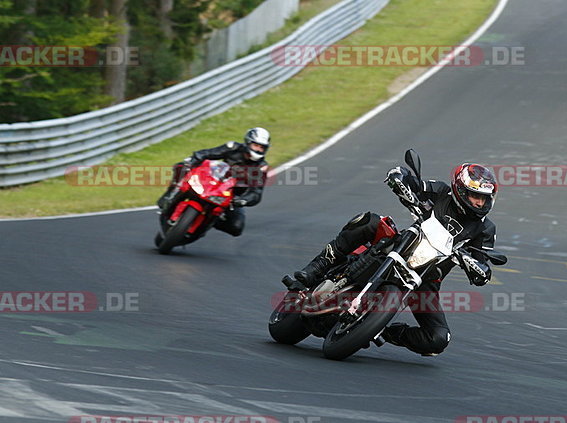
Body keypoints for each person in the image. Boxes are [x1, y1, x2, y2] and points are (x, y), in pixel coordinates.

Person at [283, 161, 499, 356]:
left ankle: (384, 331)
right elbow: (412, 181)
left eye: (483, 198)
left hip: (427, 278)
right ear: (459, 190)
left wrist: (478, 269)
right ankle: (316, 268)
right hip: (402, 245)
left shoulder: (486, 229)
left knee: (438, 338)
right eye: (475, 196)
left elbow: (483, 265)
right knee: (370, 222)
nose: (479, 203)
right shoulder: (442, 192)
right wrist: (399, 177)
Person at [157, 127, 271, 237]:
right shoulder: (232, 147)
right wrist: (193, 161)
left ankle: (210, 222)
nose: (258, 150)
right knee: (181, 167)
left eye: (262, 148)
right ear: (248, 142)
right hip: (214, 180)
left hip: (233, 196)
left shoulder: (261, 167)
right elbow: (207, 153)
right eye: (255, 145)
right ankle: (169, 195)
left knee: (236, 227)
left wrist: (243, 200)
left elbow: (256, 193)